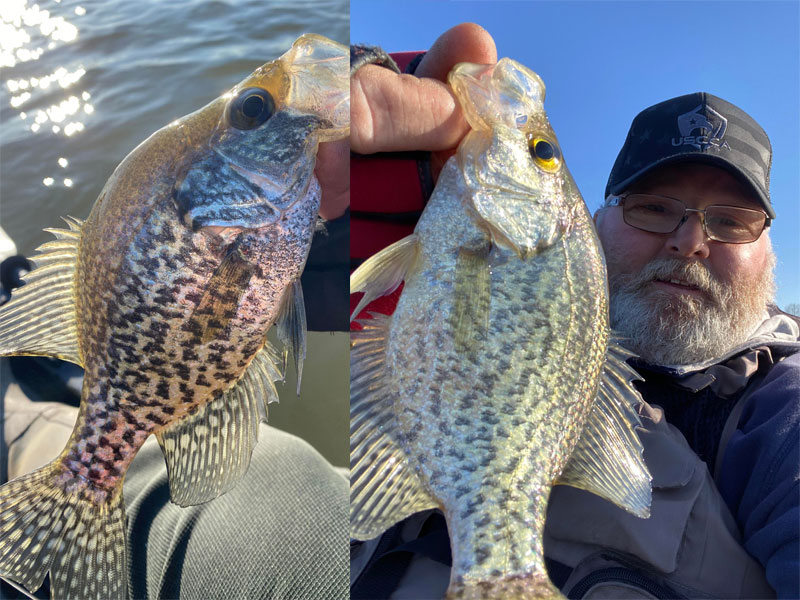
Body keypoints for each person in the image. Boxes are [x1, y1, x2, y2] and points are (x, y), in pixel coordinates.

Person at [349, 23, 799, 599]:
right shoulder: (487, 264)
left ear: (768, 250)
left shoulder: (785, 415)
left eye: (732, 221)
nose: (689, 240)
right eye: (653, 208)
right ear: (593, 223)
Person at [0, 136, 350, 599]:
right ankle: (51, 386)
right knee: (286, 470)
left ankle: (24, 410)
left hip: (302, 533)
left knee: (43, 416)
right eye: (252, 112)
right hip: (350, 524)